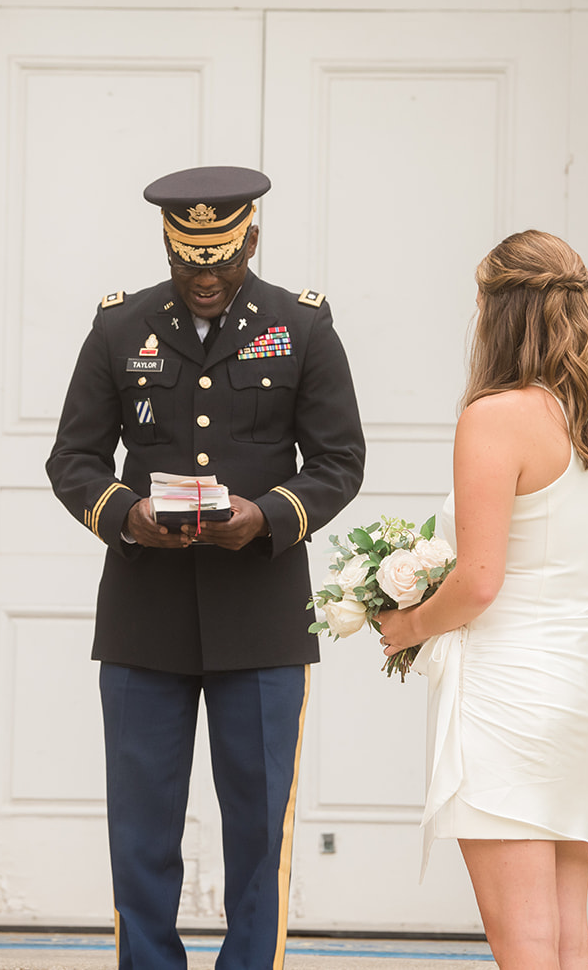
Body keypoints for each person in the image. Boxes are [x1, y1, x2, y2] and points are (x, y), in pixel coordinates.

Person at [46, 166, 365, 970]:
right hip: (142, 615)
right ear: (167, 247)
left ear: (251, 241)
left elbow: (338, 462)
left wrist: (267, 517)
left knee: (260, 835)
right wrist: (126, 515)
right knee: (141, 831)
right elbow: (74, 459)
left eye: (221, 261)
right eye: (190, 264)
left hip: (260, 617)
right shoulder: (121, 328)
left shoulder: (302, 327)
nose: (206, 280)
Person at [376, 230, 588, 970]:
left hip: (510, 696)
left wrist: (408, 625)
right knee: (562, 942)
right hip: (582, 689)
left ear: (499, 310)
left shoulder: (494, 417)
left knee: (521, 949)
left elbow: (481, 584)